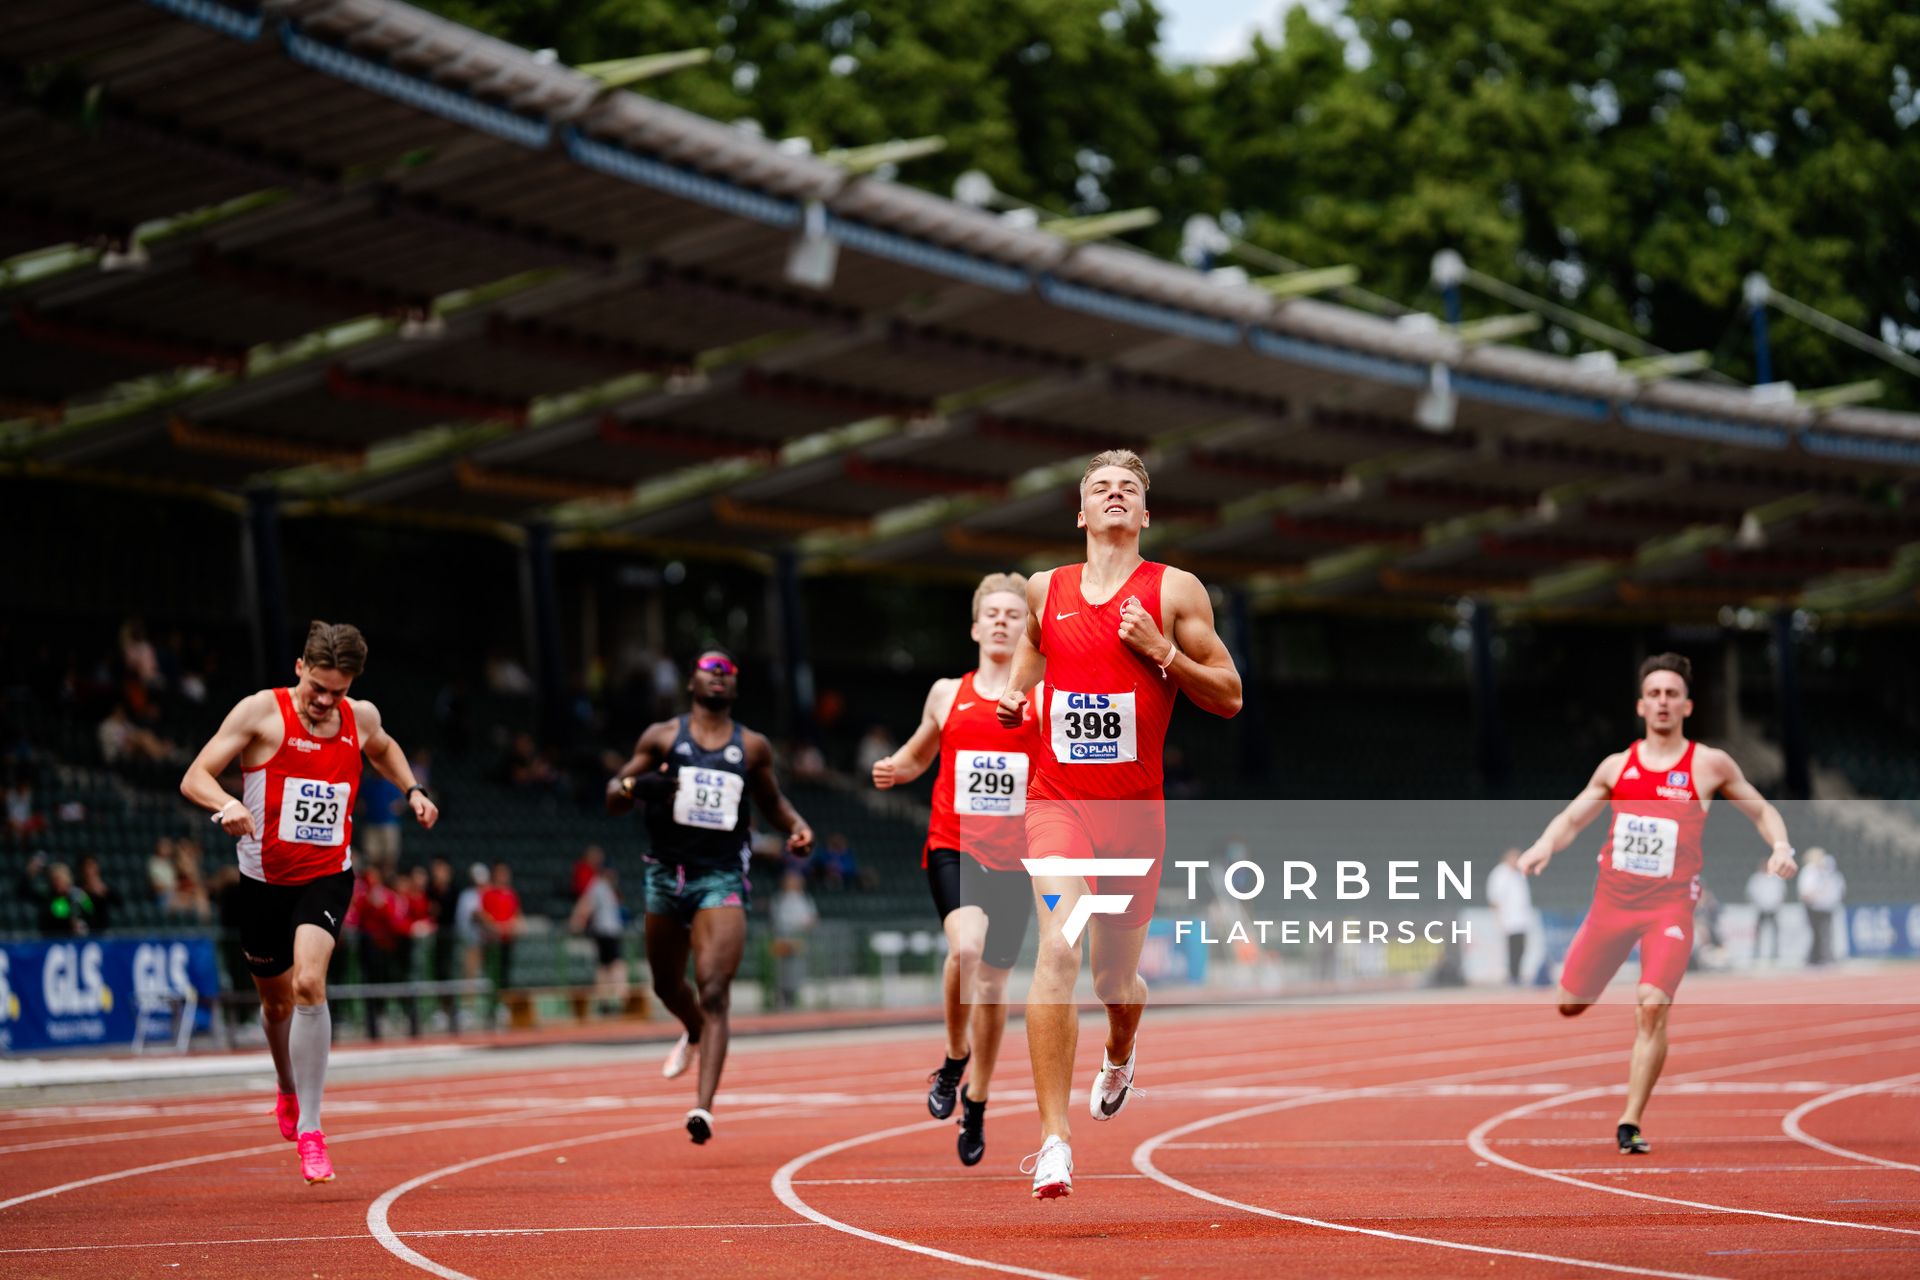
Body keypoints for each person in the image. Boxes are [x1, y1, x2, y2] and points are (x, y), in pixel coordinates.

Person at [995, 450, 1243, 1199]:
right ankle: (1053, 1142)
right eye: (1099, 487)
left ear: (1142, 515)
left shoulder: (1173, 590)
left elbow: (1229, 694)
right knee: (1058, 951)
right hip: (1056, 805)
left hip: (1134, 817)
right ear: (1080, 512)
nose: (1113, 496)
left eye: (1127, 489)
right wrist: (1016, 700)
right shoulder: (1046, 588)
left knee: (1114, 979)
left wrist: (1162, 652)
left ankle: (1122, 1049)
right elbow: (1032, 670)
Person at [180, 620, 438, 1184]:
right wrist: (224, 804)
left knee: (309, 985)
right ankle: (287, 1088)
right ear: (299, 667)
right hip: (264, 882)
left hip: (327, 876)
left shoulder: (359, 718)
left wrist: (412, 790)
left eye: (337, 692)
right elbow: (195, 775)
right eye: (316, 687)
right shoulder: (259, 712)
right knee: (275, 1005)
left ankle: (314, 1130)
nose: (324, 701)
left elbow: (385, 747)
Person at [1518, 652, 1795, 1156]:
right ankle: (1597, 992)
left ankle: (1630, 1120)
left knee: (1651, 1007)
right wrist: (1543, 845)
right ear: (1641, 706)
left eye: (1672, 694)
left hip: (1669, 909)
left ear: (1687, 705)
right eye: (1655, 694)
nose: (1663, 702)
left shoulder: (1708, 764)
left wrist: (1780, 847)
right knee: (1569, 1004)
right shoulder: (1616, 767)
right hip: (1611, 908)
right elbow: (1572, 819)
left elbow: (1762, 810)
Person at [606, 649, 812, 1145]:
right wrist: (639, 784)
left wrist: (798, 826)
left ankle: (702, 1108)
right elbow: (613, 796)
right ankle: (693, 1030)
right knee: (665, 984)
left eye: (727, 674)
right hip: (664, 875)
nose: (718, 678)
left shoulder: (753, 746)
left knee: (714, 989)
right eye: (709, 671)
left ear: (734, 689)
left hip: (720, 876)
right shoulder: (661, 736)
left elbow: (772, 800)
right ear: (691, 683)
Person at [872, 571, 1038, 1167]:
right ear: (975, 626)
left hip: (1017, 859)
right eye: (991, 613)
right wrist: (895, 768)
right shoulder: (948, 692)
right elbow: (921, 751)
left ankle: (978, 1101)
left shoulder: (1043, 697)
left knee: (993, 986)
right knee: (965, 951)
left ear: (1028, 628)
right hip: (954, 844)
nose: (1000, 621)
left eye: (1013, 614)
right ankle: (952, 1056)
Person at [569, 865, 628, 1014]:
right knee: (615, 966)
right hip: (606, 932)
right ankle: (615, 999)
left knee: (605, 966)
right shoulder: (598, 885)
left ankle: (606, 1001)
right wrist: (577, 921)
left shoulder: (606, 888)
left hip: (607, 931)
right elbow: (586, 905)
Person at [768, 870, 817, 1011]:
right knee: (780, 969)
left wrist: (805, 925)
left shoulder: (805, 899)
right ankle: (780, 996)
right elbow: (775, 919)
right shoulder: (778, 899)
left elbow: (811, 918)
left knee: (796, 968)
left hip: (798, 939)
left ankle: (793, 996)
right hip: (782, 938)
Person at [480, 861, 524, 1015]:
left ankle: (503, 1005)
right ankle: (491, 1005)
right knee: (492, 974)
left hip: (507, 941)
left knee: (505, 975)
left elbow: (517, 915)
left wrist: (511, 926)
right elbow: (484, 915)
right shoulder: (488, 894)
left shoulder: (511, 894)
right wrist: (494, 927)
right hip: (493, 943)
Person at [1485, 848, 1534, 985]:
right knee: (1512, 949)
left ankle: (1517, 974)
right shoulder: (1500, 874)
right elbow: (1494, 899)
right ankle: (1512, 976)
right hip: (1508, 920)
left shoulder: (1519, 875)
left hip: (1521, 919)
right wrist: (1498, 918)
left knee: (1521, 949)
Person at [1798, 847, 1846, 965]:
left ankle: (1822, 956)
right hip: (1813, 906)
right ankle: (1815, 957)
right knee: (1817, 933)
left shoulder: (1826, 872)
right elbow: (1806, 891)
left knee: (1825, 933)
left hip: (1825, 906)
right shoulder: (1809, 871)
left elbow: (1837, 887)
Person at [1745, 853, 1787, 963]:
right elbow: (1751, 893)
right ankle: (1756, 953)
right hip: (1761, 909)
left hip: (1773, 909)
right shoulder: (1756, 878)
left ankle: (1775, 953)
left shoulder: (1776, 878)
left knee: (1775, 932)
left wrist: (1775, 903)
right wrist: (1759, 903)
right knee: (1758, 933)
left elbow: (1781, 893)